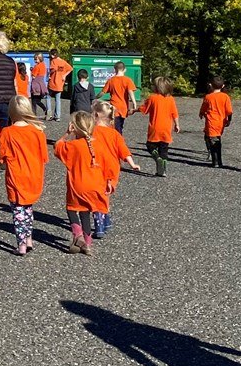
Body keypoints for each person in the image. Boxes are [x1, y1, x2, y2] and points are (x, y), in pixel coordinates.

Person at [0, 95, 48, 256]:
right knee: (28, 209)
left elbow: (3, 160)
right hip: (34, 174)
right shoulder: (38, 132)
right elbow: (44, 157)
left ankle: (21, 244)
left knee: (18, 211)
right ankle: (29, 238)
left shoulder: (7, 132)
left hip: (16, 175)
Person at [54, 111, 108, 256]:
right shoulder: (99, 145)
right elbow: (107, 165)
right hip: (95, 184)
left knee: (72, 209)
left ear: (75, 127)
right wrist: (109, 181)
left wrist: (67, 134)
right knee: (85, 212)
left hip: (77, 184)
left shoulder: (73, 145)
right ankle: (88, 244)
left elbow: (57, 147)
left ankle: (77, 235)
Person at [91, 100, 141, 238]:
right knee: (105, 194)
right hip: (113, 169)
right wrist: (132, 164)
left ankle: (99, 226)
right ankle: (106, 220)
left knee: (97, 196)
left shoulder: (91, 132)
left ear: (95, 115)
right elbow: (124, 151)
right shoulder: (115, 134)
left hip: (97, 168)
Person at [138, 77, 179, 177]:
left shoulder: (152, 98)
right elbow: (175, 113)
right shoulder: (171, 99)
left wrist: (134, 110)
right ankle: (162, 171)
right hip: (166, 129)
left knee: (150, 146)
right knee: (164, 149)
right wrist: (177, 124)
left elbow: (144, 109)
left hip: (155, 128)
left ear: (157, 87)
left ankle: (157, 157)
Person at [199, 77, 233, 168]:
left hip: (211, 122)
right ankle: (218, 160)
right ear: (223, 86)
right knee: (216, 139)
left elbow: (204, 108)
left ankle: (216, 161)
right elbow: (229, 111)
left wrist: (201, 113)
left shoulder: (208, 97)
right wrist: (229, 120)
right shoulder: (225, 97)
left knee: (213, 142)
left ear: (211, 85)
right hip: (221, 122)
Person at [101, 61, 138, 133]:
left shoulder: (111, 80)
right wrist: (134, 103)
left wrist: (95, 97)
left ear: (114, 69)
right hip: (124, 107)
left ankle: (117, 138)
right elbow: (130, 92)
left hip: (114, 107)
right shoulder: (128, 80)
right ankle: (118, 137)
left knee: (116, 127)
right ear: (124, 70)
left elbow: (103, 92)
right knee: (120, 126)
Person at [47, 52, 72, 120]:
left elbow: (53, 69)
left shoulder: (53, 61)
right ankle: (57, 116)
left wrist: (49, 74)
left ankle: (49, 114)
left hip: (52, 82)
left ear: (53, 55)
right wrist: (64, 75)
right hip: (60, 83)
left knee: (48, 97)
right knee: (58, 100)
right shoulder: (63, 62)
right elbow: (70, 69)